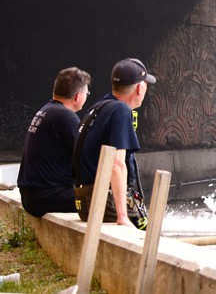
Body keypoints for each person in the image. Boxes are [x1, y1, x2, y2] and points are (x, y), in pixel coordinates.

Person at [73, 58, 155, 230]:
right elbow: (116, 164)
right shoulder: (121, 111)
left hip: (86, 199)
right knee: (146, 236)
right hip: (102, 201)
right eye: (146, 85)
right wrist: (122, 216)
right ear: (140, 88)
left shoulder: (99, 107)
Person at [17, 67, 91, 217]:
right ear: (78, 96)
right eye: (87, 93)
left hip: (32, 195)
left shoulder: (46, 110)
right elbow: (85, 158)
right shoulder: (66, 116)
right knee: (104, 201)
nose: (87, 96)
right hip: (47, 197)